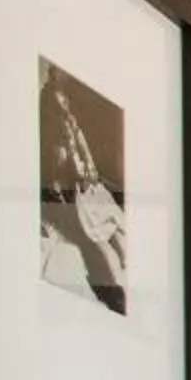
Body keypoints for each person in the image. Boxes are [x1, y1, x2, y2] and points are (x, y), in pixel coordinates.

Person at [39, 72, 127, 314]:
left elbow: (84, 153)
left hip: (87, 188)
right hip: (74, 193)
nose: (65, 111)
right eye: (60, 107)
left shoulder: (73, 127)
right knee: (93, 240)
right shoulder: (56, 141)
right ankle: (110, 288)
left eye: (65, 105)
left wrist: (89, 170)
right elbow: (61, 167)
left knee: (112, 225)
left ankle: (118, 271)